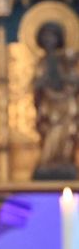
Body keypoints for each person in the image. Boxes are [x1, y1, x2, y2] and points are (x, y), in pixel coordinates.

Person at [31, 21, 79, 180]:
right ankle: (49, 162)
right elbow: (36, 84)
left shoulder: (66, 59)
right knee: (51, 134)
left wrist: (63, 80)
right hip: (49, 106)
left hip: (65, 104)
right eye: (45, 37)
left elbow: (74, 80)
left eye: (52, 36)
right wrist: (42, 83)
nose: (49, 40)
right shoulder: (42, 62)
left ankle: (65, 161)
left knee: (66, 134)